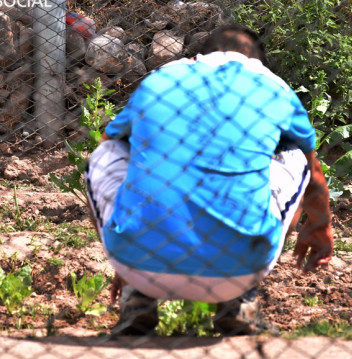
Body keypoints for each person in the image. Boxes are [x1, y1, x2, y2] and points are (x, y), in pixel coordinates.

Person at [84, 24, 333, 336]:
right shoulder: (272, 86)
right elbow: (314, 169)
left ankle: (138, 296)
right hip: (238, 271)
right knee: (296, 153)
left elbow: (110, 139)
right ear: (259, 62)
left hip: (138, 264)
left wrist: (125, 258)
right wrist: (320, 227)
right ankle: (241, 303)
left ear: (196, 56)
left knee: (108, 150)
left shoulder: (164, 78)